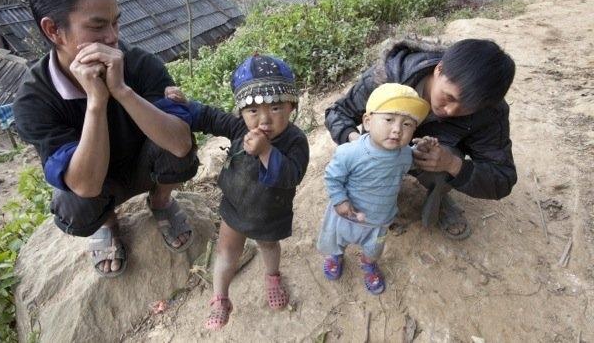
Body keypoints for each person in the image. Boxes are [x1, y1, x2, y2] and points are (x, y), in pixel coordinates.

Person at [13, 0, 199, 278]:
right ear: (54, 30)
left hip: (145, 165)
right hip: (98, 184)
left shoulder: (138, 63)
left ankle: (160, 202)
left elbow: (181, 143)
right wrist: (96, 102)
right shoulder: (35, 99)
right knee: (73, 206)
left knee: (178, 146)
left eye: (115, 22)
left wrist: (123, 91)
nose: (113, 37)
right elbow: (84, 185)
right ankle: (108, 222)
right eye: (97, 26)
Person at [166, 55, 309, 330]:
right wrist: (184, 106)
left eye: (276, 107)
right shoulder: (238, 129)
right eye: (253, 111)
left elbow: (293, 175)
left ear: (291, 105)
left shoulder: (295, 141)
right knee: (226, 251)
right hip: (235, 208)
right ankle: (220, 298)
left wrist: (266, 151)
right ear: (242, 112)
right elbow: (209, 117)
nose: (264, 119)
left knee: (269, 246)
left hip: (272, 212)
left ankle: (272, 276)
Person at [324, 37, 517, 240]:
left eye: (466, 108)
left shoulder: (489, 110)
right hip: (376, 152)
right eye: (449, 97)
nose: (450, 111)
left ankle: (438, 196)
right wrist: (359, 144)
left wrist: (452, 164)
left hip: (430, 159)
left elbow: (502, 178)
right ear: (439, 69)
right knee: (363, 186)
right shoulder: (390, 75)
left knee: (448, 161)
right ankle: (374, 191)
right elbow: (337, 112)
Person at [318, 83, 432, 294]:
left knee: (374, 249)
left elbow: (412, 163)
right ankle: (336, 256)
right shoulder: (349, 153)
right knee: (336, 241)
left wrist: (420, 150)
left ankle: (368, 263)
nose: (397, 129)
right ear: (368, 122)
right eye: (389, 119)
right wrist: (340, 200)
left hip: (379, 221)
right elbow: (332, 176)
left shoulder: (405, 154)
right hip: (345, 216)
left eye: (407, 124)